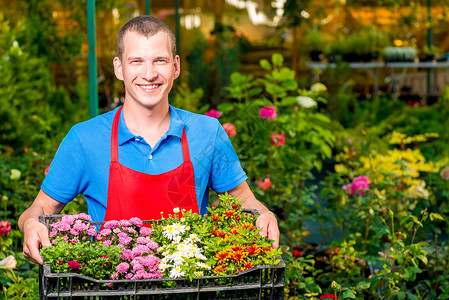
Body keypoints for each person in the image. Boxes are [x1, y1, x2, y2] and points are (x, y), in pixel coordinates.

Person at [18, 15, 279, 265]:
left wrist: (264, 214)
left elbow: (244, 200)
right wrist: (31, 223)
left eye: (160, 61)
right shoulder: (84, 139)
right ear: (119, 68)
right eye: (136, 61)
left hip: (193, 285)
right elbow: (41, 206)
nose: (149, 73)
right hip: (110, 288)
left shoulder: (207, 132)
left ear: (176, 66)